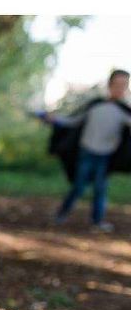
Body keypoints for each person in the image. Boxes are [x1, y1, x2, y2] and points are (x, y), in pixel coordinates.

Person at [41, 69, 131, 232]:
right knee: (78, 186)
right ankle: (61, 214)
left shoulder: (124, 111)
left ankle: (97, 221)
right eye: (117, 84)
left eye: (124, 85)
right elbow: (73, 121)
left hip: (106, 156)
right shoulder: (95, 105)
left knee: (100, 188)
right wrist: (54, 119)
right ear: (110, 85)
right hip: (86, 151)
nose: (119, 88)